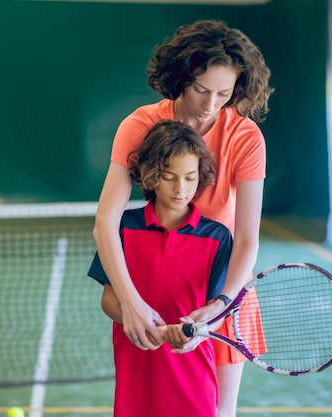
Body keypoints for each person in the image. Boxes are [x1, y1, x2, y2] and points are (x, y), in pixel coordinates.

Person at [92, 19, 273, 416]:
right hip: (156, 291)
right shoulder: (139, 126)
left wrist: (220, 304)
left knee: (219, 412)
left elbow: (246, 240)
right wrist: (131, 302)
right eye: (200, 89)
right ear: (180, 78)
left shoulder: (245, 138)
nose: (210, 105)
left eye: (224, 94)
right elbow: (106, 222)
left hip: (220, 291)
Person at [88, 120, 233, 417]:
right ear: (151, 175)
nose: (181, 189)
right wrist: (143, 323)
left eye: (191, 178)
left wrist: (196, 330)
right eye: (169, 177)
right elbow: (108, 300)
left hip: (194, 377)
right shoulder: (123, 228)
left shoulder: (218, 238)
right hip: (136, 372)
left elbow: (217, 312)